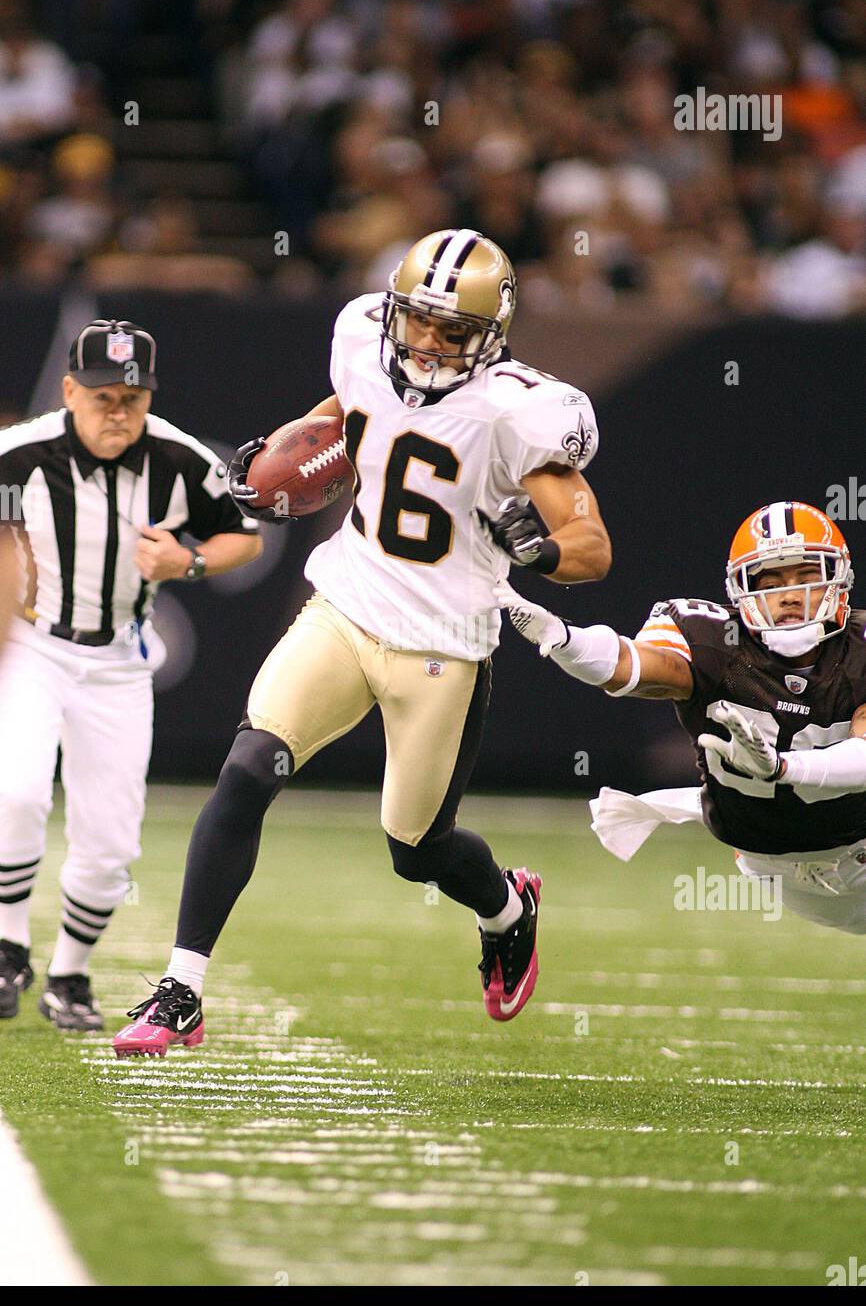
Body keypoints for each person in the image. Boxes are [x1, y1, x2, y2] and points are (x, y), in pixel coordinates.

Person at [113, 227, 612, 1055]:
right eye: (417, 320)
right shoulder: (360, 338)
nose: (426, 341)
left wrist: (540, 549)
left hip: (443, 648)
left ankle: (507, 908)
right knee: (246, 771)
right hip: (345, 608)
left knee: (417, 852)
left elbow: (593, 546)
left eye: (451, 331)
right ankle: (181, 990)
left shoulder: (521, 409)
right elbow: (344, 416)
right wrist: (285, 456)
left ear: (491, 336)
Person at [0, 319, 262, 1029]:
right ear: (68, 390)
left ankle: (70, 977)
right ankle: (9, 945)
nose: (117, 411)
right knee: (17, 791)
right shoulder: (18, 457)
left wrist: (191, 561)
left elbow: (245, 534)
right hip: (33, 645)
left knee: (111, 840)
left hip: (118, 656)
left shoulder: (177, 458)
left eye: (131, 397)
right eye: (101, 395)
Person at [498, 500, 866, 935]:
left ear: (839, 580)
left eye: (807, 576)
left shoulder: (858, 648)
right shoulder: (708, 638)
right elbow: (631, 666)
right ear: (738, 590)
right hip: (773, 866)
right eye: (770, 580)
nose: (789, 594)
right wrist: (564, 640)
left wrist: (784, 767)